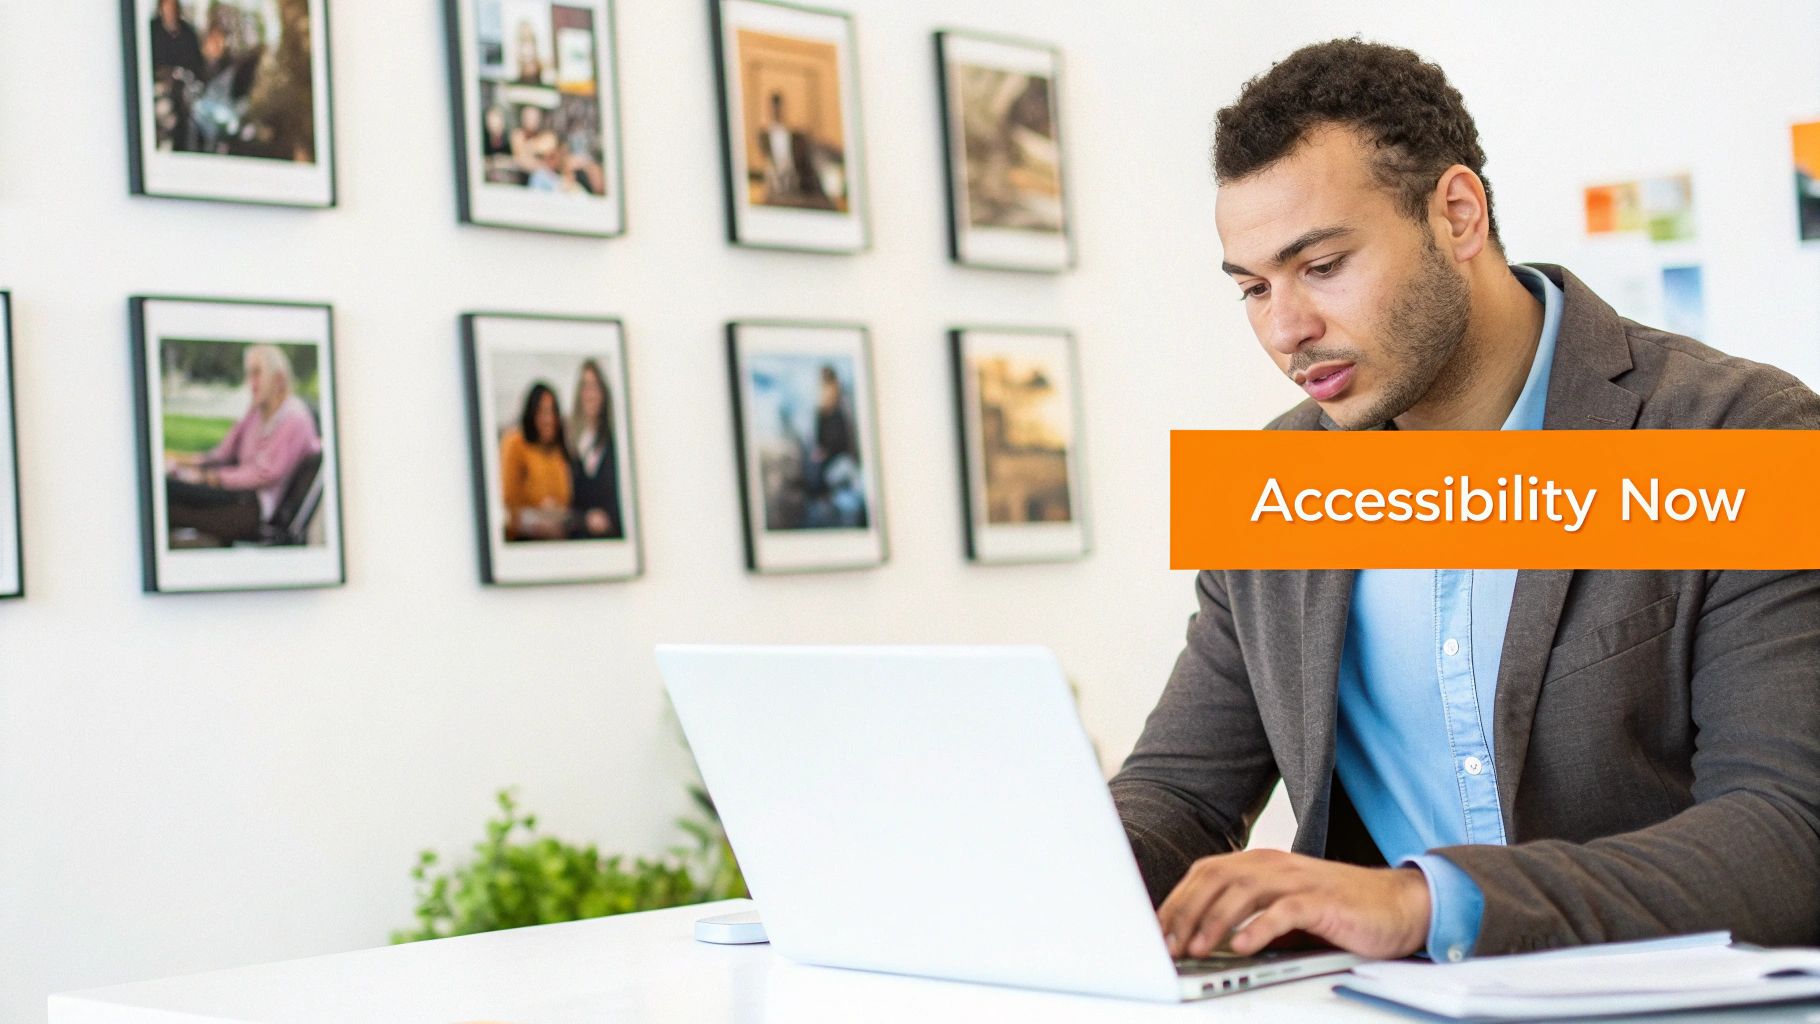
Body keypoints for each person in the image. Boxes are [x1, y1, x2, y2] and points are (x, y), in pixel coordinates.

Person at [1109, 39, 1820, 967]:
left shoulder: (1737, 433)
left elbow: (1790, 831)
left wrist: (1428, 901)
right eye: (1253, 287)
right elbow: (1181, 794)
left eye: (1321, 265)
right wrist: (1047, 874)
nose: (1286, 328)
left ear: (1456, 214)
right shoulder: (1274, 482)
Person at [165, 345, 321, 544]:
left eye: (257, 374)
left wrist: (211, 478)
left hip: (252, 510)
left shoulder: (295, 418)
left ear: (279, 378)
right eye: (249, 375)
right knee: (171, 489)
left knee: (173, 507)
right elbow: (222, 453)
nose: (251, 384)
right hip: (235, 494)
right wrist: (182, 461)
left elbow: (264, 473)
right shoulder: (256, 411)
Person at [499, 383, 571, 541]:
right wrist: (537, 518)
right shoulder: (515, 443)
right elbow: (508, 504)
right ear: (532, 413)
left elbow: (565, 502)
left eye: (552, 412)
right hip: (524, 540)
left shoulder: (558, 453)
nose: (548, 419)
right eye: (543, 412)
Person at [567, 360, 623, 540]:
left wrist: (609, 519)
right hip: (581, 539)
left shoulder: (615, 441)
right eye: (585, 387)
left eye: (595, 387)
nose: (589, 394)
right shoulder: (574, 443)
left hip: (612, 538)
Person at [149, 0, 204, 79]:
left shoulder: (188, 34)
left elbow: (196, 64)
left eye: (173, 6)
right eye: (167, 7)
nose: (171, 11)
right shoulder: (151, 32)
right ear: (160, 9)